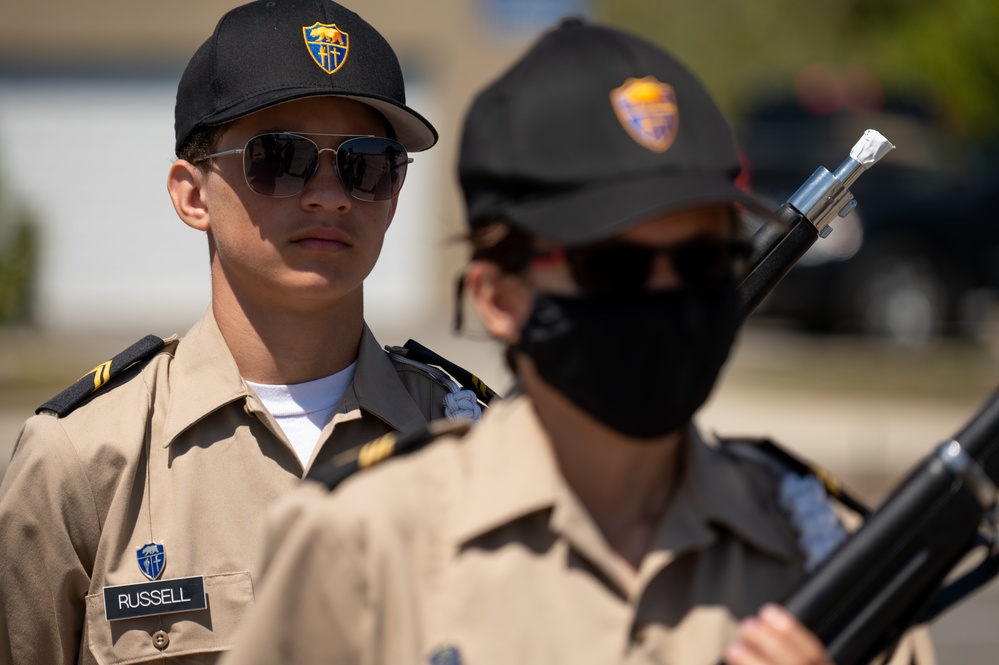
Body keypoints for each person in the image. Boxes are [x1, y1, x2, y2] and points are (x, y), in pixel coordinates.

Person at [217, 18, 935, 665]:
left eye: (700, 261)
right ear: (499, 297)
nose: (666, 295)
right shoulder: (362, 547)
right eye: (612, 266)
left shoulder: (822, 542)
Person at [0, 1, 486, 663]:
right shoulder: (83, 463)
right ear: (192, 194)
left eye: (366, 162)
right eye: (280, 157)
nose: (329, 195)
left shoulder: (473, 444)